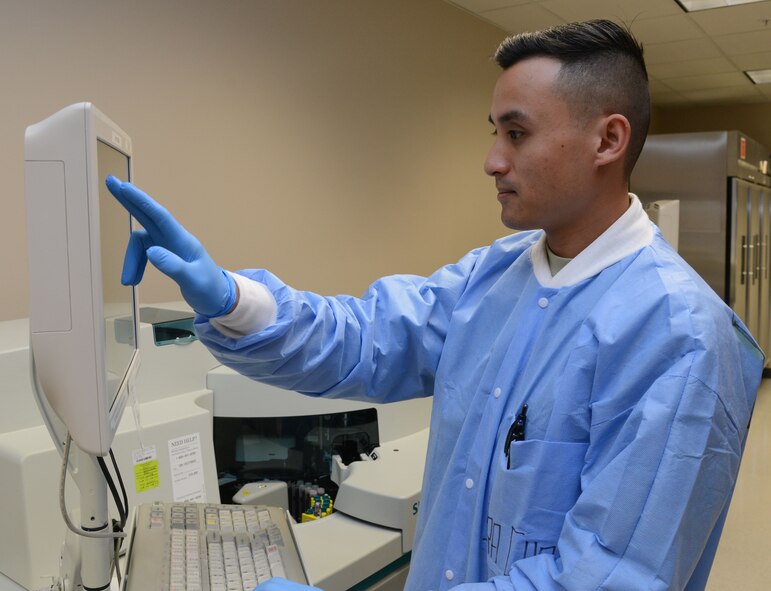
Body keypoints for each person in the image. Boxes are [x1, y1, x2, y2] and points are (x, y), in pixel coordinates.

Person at [107, 19, 764, 591]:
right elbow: (363, 339)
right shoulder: (492, 276)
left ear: (606, 140)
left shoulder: (679, 337)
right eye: (494, 132)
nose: (490, 160)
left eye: (515, 133)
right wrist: (230, 296)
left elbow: (607, 575)